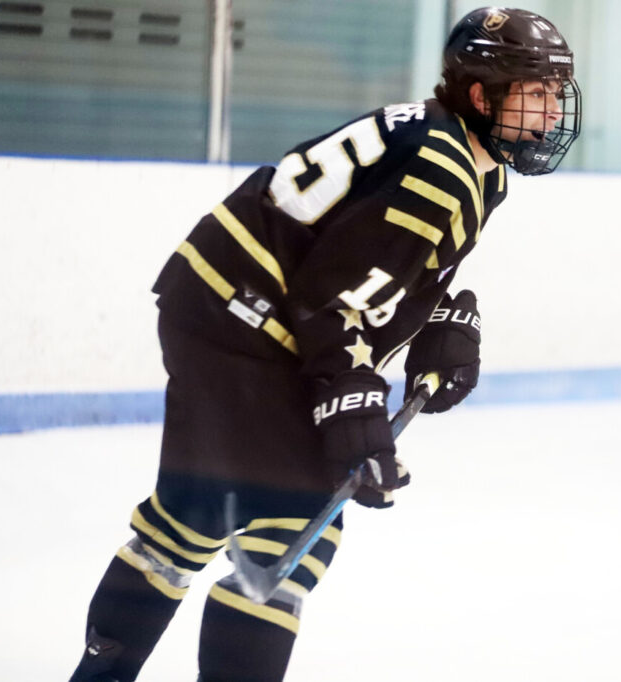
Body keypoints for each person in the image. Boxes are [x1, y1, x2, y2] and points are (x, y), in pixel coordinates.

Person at [70, 7, 581, 681]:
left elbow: (376, 264)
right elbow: (332, 299)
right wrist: (352, 405)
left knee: (205, 515)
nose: (551, 113)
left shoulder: (473, 161)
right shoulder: (441, 167)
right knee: (286, 527)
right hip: (242, 321)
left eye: (555, 92)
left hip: (236, 308)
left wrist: (436, 319)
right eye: (536, 93)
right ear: (482, 96)